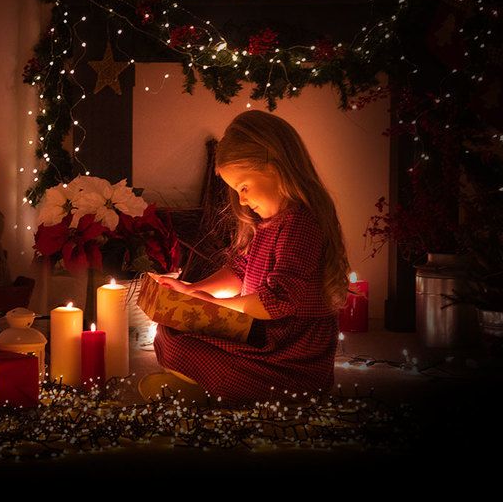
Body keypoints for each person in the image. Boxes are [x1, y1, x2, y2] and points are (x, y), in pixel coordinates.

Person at [139, 110, 350, 406]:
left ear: (276, 168)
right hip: (262, 334)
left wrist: (211, 305)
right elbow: (239, 270)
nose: (242, 200)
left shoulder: (302, 223)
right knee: (170, 333)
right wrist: (191, 291)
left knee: (185, 348)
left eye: (244, 187)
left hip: (289, 352)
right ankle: (214, 383)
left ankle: (244, 388)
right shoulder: (265, 222)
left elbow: (277, 300)